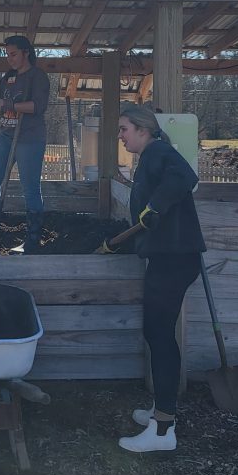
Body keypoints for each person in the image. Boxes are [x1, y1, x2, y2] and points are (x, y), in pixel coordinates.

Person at [98, 103, 205, 453]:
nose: (120, 136)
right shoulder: (150, 158)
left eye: (124, 129)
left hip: (174, 259)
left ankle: (163, 431)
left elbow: (185, 178)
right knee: (156, 333)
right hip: (167, 257)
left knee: (159, 335)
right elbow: (148, 217)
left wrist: (155, 207)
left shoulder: (159, 152)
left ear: (143, 129)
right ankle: (161, 412)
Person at [0, 35, 50, 255]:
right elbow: (4, 107)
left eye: (13, 54)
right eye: (7, 55)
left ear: (26, 52)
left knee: (30, 188)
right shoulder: (7, 78)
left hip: (30, 137)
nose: (10, 59)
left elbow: (38, 106)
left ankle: (32, 240)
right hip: (7, 134)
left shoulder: (38, 77)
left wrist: (5, 104)